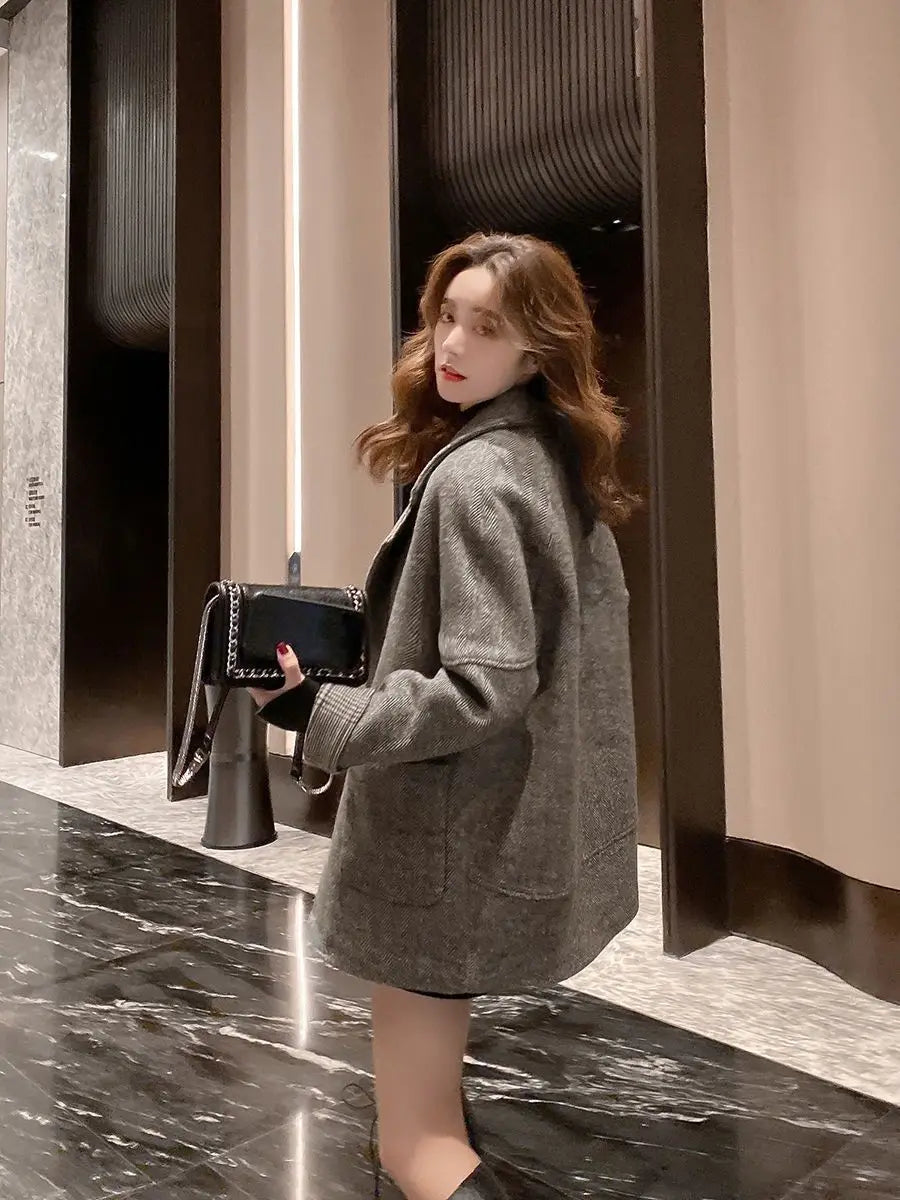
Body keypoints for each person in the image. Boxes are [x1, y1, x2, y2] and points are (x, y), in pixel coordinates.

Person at [250, 232, 639, 1200]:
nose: (452, 346)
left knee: (416, 1144)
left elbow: (484, 685)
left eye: (487, 327)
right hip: (506, 825)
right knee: (435, 1100)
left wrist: (318, 711)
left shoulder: (475, 481)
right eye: (447, 318)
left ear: (537, 349)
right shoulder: (553, 459)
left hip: (443, 845)